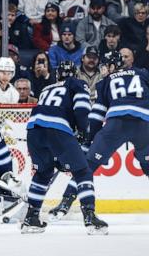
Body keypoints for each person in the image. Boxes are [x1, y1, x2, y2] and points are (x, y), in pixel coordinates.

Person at [49, 51, 149, 221]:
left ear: (112, 66)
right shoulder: (143, 73)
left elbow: (97, 115)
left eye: (104, 67)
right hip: (144, 125)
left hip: (117, 124)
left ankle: (65, 202)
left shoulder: (105, 82)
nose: (102, 71)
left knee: (86, 166)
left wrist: (88, 138)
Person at [21, 60, 108, 235]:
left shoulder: (47, 88)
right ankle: (90, 216)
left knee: (43, 173)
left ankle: (31, 217)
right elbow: (82, 109)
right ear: (74, 74)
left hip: (33, 128)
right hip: (58, 128)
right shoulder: (78, 83)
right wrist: (83, 131)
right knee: (83, 171)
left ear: (57, 75)